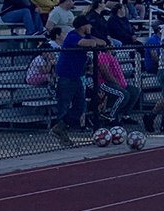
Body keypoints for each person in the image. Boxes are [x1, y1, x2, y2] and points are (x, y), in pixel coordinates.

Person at [53, 15, 102, 145]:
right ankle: (60, 131)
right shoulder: (72, 36)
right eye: (88, 25)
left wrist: (96, 39)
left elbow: (101, 42)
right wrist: (93, 41)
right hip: (66, 76)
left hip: (76, 76)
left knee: (80, 107)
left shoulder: (85, 36)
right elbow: (87, 43)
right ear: (82, 26)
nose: (90, 27)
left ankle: (62, 127)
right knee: (63, 105)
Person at [94, 47, 140, 125]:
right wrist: (116, 82)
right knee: (124, 95)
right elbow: (105, 73)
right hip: (105, 84)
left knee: (135, 91)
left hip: (121, 83)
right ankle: (111, 117)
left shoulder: (112, 57)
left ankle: (126, 116)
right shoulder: (103, 55)